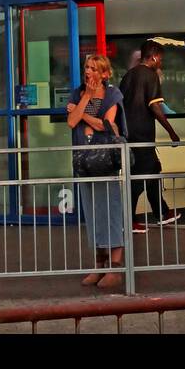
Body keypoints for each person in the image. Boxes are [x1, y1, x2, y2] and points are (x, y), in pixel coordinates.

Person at [67, 53, 126, 291]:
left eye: (93, 68)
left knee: (110, 210)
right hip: (84, 161)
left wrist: (85, 115)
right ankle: (99, 264)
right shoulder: (78, 93)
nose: (88, 71)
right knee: (92, 213)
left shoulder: (113, 94)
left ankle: (115, 267)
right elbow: (72, 121)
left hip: (106, 160)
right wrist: (86, 100)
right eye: (86, 67)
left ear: (104, 73)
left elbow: (106, 125)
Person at [119, 39, 181, 233]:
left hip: (129, 135)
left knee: (153, 170)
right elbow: (155, 106)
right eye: (160, 59)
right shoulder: (150, 75)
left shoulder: (128, 76)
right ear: (154, 57)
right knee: (138, 180)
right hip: (142, 136)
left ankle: (162, 212)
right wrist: (172, 132)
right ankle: (129, 220)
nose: (161, 63)